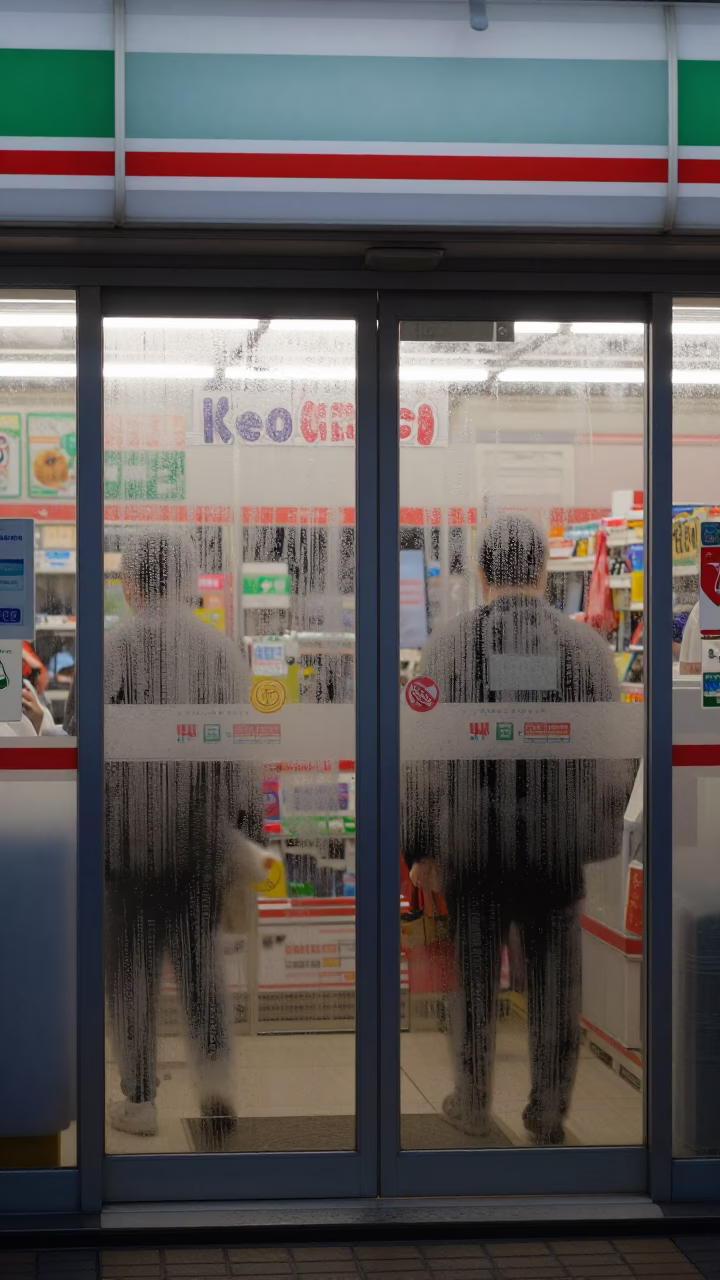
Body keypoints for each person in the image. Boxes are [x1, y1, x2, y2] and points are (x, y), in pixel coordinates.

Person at [402, 514, 633, 1145]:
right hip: (555, 848)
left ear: (482, 572)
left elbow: (421, 755)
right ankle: (548, 1111)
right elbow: (613, 756)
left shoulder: (450, 645)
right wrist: (595, 838)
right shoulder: (586, 649)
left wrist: (420, 845)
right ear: (544, 569)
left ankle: (472, 1101)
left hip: (472, 845)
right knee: (556, 984)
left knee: (474, 979)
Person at [104, 528, 261, 1137]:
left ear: (133, 583)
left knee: (132, 976)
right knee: (201, 969)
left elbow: (86, 740)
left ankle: (140, 1100)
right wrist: (244, 834)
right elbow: (242, 755)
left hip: (128, 848)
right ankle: (216, 1085)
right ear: (186, 581)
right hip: (200, 844)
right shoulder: (220, 651)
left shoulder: (113, 647)